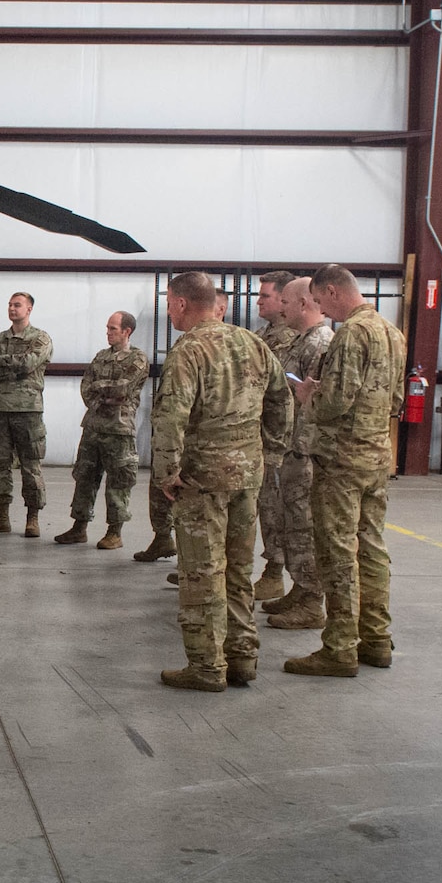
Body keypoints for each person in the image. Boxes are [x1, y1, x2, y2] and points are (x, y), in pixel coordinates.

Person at [151, 272, 292, 691]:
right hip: (248, 474)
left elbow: (170, 415)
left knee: (201, 572)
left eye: (169, 303)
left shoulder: (189, 349)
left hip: (202, 478)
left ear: (179, 303)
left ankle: (207, 666)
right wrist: (271, 454)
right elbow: (281, 401)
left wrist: (166, 471)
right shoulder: (253, 343)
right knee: (237, 570)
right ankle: (242, 658)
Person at [284, 265, 405, 679]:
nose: (321, 309)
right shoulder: (392, 332)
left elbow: (335, 402)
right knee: (371, 547)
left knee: (337, 552)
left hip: (341, 459)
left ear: (333, 292)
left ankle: (339, 648)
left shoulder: (351, 334)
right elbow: (396, 399)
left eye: (320, 301)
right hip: (376, 456)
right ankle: (376, 639)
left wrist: (307, 396)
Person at [265, 276, 334, 630]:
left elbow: (314, 396)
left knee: (303, 525)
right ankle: (300, 588)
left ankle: (311, 600)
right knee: (289, 523)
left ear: (304, 305)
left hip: (305, 449)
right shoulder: (301, 340)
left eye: (288, 303)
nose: (283, 308)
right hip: (292, 445)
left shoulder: (320, 342)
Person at [59, 311, 149, 549]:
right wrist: (102, 394)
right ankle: (79, 527)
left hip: (119, 429)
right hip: (93, 427)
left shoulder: (137, 359)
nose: (108, 333)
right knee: (84, 477)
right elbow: (86, 387)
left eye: (113, 329)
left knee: (119, 481)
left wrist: (101, 389)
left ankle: (115, 532)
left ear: (126, 331)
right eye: (107, 328)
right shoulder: (101, 357)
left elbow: (124, 389)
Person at [0, 292, 53, 537]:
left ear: (29, 309)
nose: (12, 308)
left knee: (30, 466)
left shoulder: (40, 338)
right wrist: (14, 366)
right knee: (0, 464)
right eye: (10, 304)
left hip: (28, 410)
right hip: (0, 409)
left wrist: (4, 362)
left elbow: (30, 363)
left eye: (17, 305)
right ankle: (1, 517)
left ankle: (33, 518)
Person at [251, 269, 300, 600]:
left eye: (265, 295)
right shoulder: (261, 337)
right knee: (265, 507)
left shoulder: (296, 340)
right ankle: (273, 572)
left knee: (279, 509)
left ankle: (278, 573)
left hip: (285, 441)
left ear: (283, 301)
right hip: (261, 437)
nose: (259, 301)